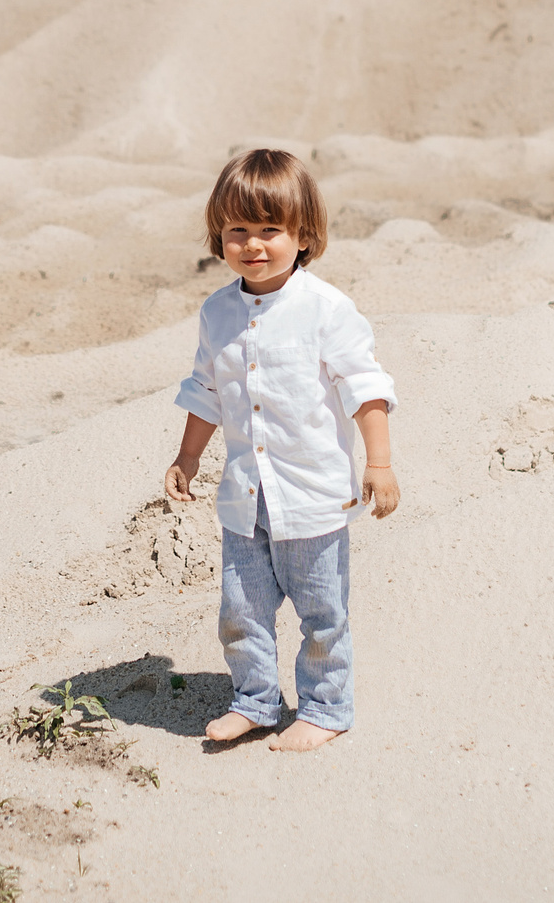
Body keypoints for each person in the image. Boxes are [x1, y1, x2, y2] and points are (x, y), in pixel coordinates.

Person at [163, 147, 399, 752]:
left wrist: (379, 462)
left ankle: (325, 708)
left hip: (313, 497)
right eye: (237, 230)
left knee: (323, 614)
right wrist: (188, 457)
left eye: (271, 229)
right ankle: (255, 702)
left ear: (304, 236)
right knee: (242, 611)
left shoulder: (326, 310)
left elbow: (364, 388)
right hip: (246, 497)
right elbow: (207, 390)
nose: (254, 244)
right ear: (219, 237)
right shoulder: (217, 313)